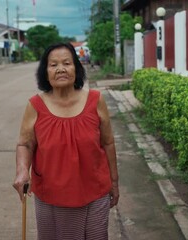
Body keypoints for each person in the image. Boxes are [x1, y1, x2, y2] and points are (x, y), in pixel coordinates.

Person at [12, 42, 119, 240]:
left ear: (76, 69)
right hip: (51, 195)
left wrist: (114, 182)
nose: (60, 69)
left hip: (95, 192)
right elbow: (25, 144)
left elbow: (108, 143)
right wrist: (21, 171)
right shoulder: (35, 105)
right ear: (45, 72)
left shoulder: (96, 100)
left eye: (67, 63)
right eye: (53, 65)